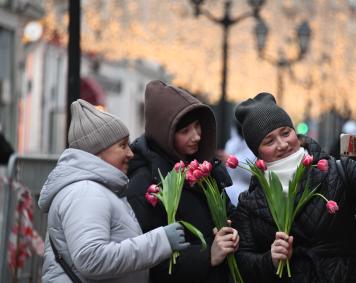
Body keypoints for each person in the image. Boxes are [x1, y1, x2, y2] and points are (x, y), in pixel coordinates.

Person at [231, 92, 356, 283]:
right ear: (257, 151)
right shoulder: (249, 203)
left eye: (286, 133)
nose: (282, 144)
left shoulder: (339, 171)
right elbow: (242, 264)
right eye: (269, 141)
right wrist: (269, 259)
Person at [38, 99, 189, 283]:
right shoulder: (86, 192)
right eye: (122, 145)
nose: (130, 154)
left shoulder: (97, 189)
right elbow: (91, 258)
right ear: (98, 150)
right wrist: (160, 241)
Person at [126, 80, 238, 283]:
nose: (196, 136)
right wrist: (207, 256)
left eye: (198, 126)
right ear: (164, 134)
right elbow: (144, 257)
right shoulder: (144, 183)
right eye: (185, 130)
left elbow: (229, 214)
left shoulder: (204, 171)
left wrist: (232, 230)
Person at [216, 121, 255, 205]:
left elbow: (253, 172)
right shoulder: (231, 143)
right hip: (230, 188)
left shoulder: (254, 145)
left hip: (247, 190)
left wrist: (235, 161)